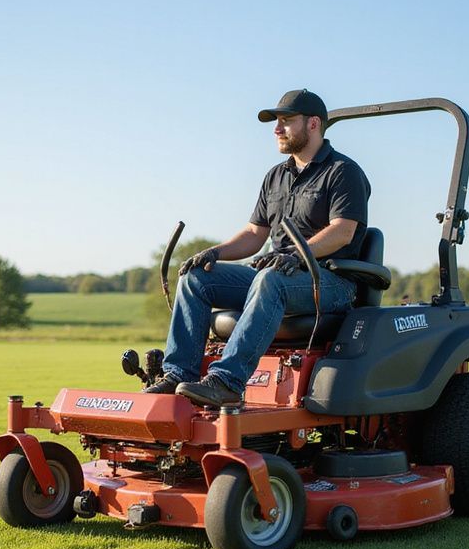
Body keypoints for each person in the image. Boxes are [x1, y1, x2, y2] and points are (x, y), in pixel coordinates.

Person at [146, 89, 371, 407]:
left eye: (286, 121)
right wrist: (215, 253)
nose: (277, 129)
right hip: (278, 277)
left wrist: (294, 254)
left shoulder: (343, 172)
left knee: (269, 280)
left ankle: (226, 381)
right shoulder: (275, 176)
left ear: (313, 124)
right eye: (276, 122)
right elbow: (255, 233)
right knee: (196, 278)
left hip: (330, 282)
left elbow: (343, 232)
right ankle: (177, 375)